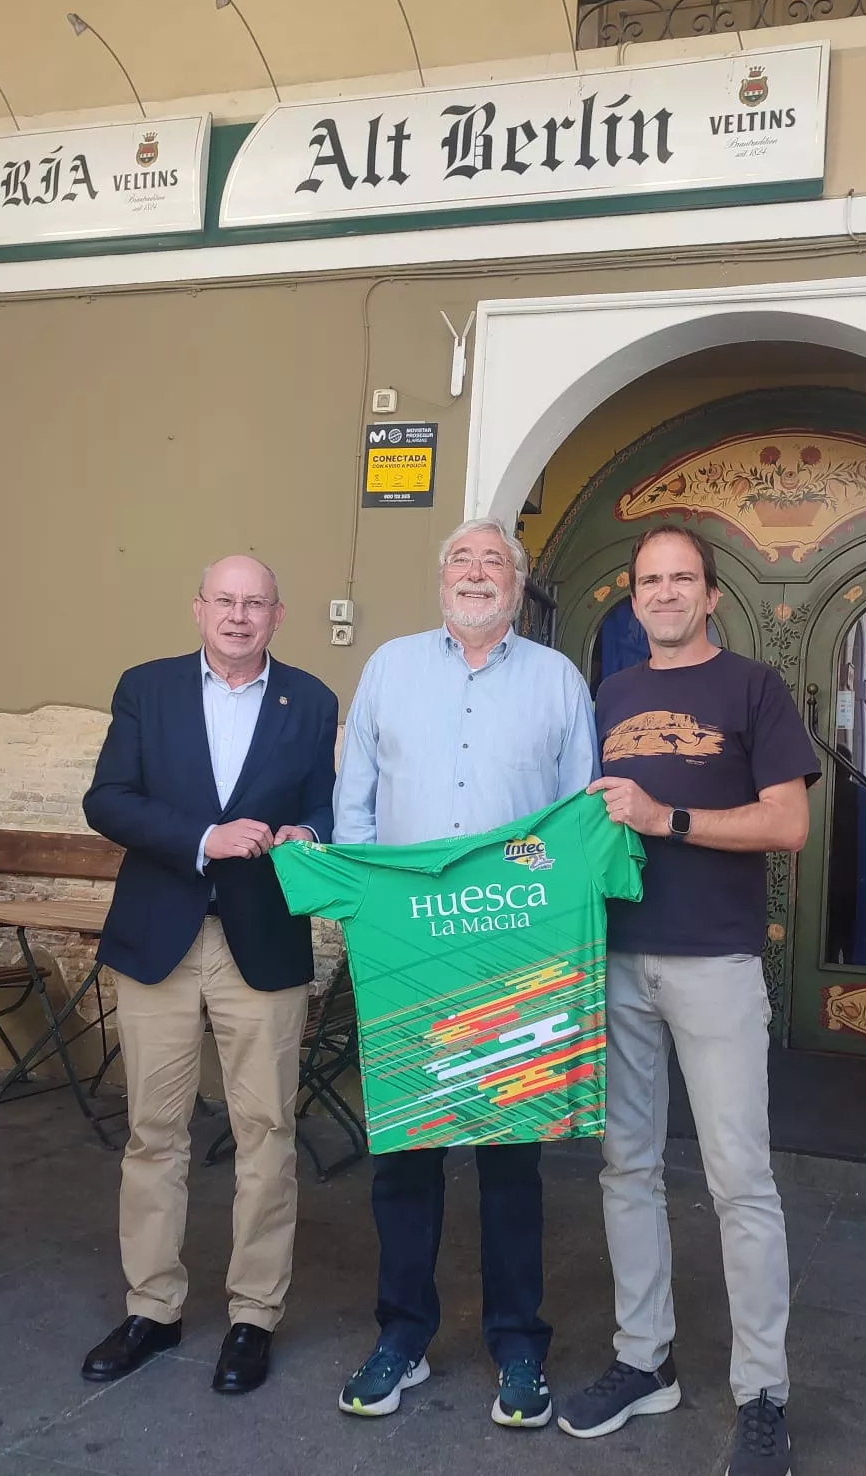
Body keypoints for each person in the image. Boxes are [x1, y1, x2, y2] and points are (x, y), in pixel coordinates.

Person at [559, 523, 819, 1476]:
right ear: (633, 600)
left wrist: (667, 818)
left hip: (713, 962)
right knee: (625, 1168)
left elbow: (788, 822)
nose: (665, 592)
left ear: (711, 596)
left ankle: (762, 1393)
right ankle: (643, 1360)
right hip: (616, 959)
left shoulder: (753, 688)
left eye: (683, 579)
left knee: (738, 1181)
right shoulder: (613, 695)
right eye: (649, 580)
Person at [332, 515, 598, 1427]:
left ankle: (519, 1347)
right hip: (407, 946)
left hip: (510, 954)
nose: (478, 572)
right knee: (404, 1156)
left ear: (518, 589)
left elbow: (576, 822)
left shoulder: (560, 682)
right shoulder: (389, 670)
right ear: (441, 577)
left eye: (495, 562)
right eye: (463, 559)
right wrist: (360, 903)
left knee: (509, 1158)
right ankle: (401, 1337)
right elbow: (353, 796)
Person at [79, 555, 339, 1396]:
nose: (238, 616)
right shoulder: (145, 689)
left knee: (266, 1134)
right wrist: (204, 839)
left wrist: (307, 830)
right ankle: (152, 1308)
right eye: (224, 601)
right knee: (154, 1132)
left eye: (254, 603)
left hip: (261, 943)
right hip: (160, 937)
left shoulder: (313, 701)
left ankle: (252, 1316)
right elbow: (107, 800)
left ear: (278, 614)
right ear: (198, 610)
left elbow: (335, 803)